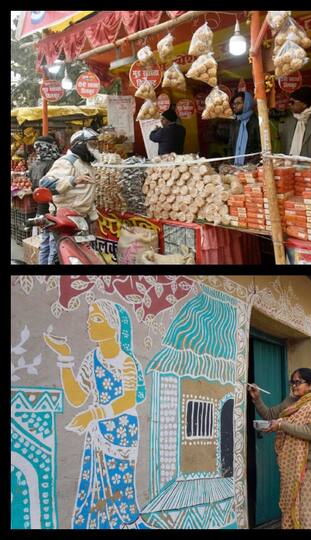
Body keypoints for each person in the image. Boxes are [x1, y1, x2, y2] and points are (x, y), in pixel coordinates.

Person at [42, 300, 147, 528]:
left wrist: (93, 415)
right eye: (90, 318)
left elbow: (128, 399)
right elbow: (78, 397)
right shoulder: (92, 358)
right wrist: (65, 359)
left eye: (97, 319)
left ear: (114, 326)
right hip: (98, 431)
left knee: (120, 489)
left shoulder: (126, 362)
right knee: (93, 487)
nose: (89, 323)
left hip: (122, 430)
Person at [248, 368, 311, 529]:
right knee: (292, 510)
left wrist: (282, 424)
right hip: (292, 466)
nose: (294, 386)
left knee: (309, 513)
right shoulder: (292, 402)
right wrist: (257, 399)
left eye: (298, 382)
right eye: (292, 382)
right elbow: (270, 415)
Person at [39, 128, 100, 264]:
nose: (95, 148)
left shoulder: (87, 165)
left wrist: (94, 218)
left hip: (80, 220)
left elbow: (88, 194)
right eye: (92, 144)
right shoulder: (67, 162)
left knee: (80, 254)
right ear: (80, 144)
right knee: (59, 254)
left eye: (96, 144)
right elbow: (45, 183)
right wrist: (72, 180)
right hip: (64, 220)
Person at [28, 135, 61, 264]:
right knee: (53, 246)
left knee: (45, 244)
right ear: (49, 147)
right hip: (52, 211)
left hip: (40, 210)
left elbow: (33, 187)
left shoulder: (34, 165)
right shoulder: (53, 165)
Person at [278, 86, 311, 158]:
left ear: (304, 104)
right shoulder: (288, 122)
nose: (289, 104)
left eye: (292, 102)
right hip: (290, 165)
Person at [228, 91, 261, 165]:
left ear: (247, 104)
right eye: (234, 104)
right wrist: (231, 163)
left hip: (251, 168)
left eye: (238, 103)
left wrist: (251, 164)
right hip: (235, 168)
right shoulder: (235, 122)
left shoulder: (256, 122)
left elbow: (261, 147)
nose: (234, 106)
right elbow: (230, 145)